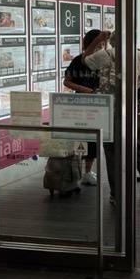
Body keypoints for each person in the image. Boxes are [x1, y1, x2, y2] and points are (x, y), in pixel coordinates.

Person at [82, 30, 140, 204]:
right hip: (134, 111)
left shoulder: (105, 55)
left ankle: (116, 193)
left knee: (112, 154)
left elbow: (85, 60)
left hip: (109, 112)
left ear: (112, 42)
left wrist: (98, 39)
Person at [63, 29, 102, 186]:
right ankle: (76, 171)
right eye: (99, 43)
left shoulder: (102, 60)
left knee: (93, 139)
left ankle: (87, 172)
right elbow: (67, 81)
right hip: (80, 104)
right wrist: (83, 89)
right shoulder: (78, 60)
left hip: (97, 105)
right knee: (79, 137)